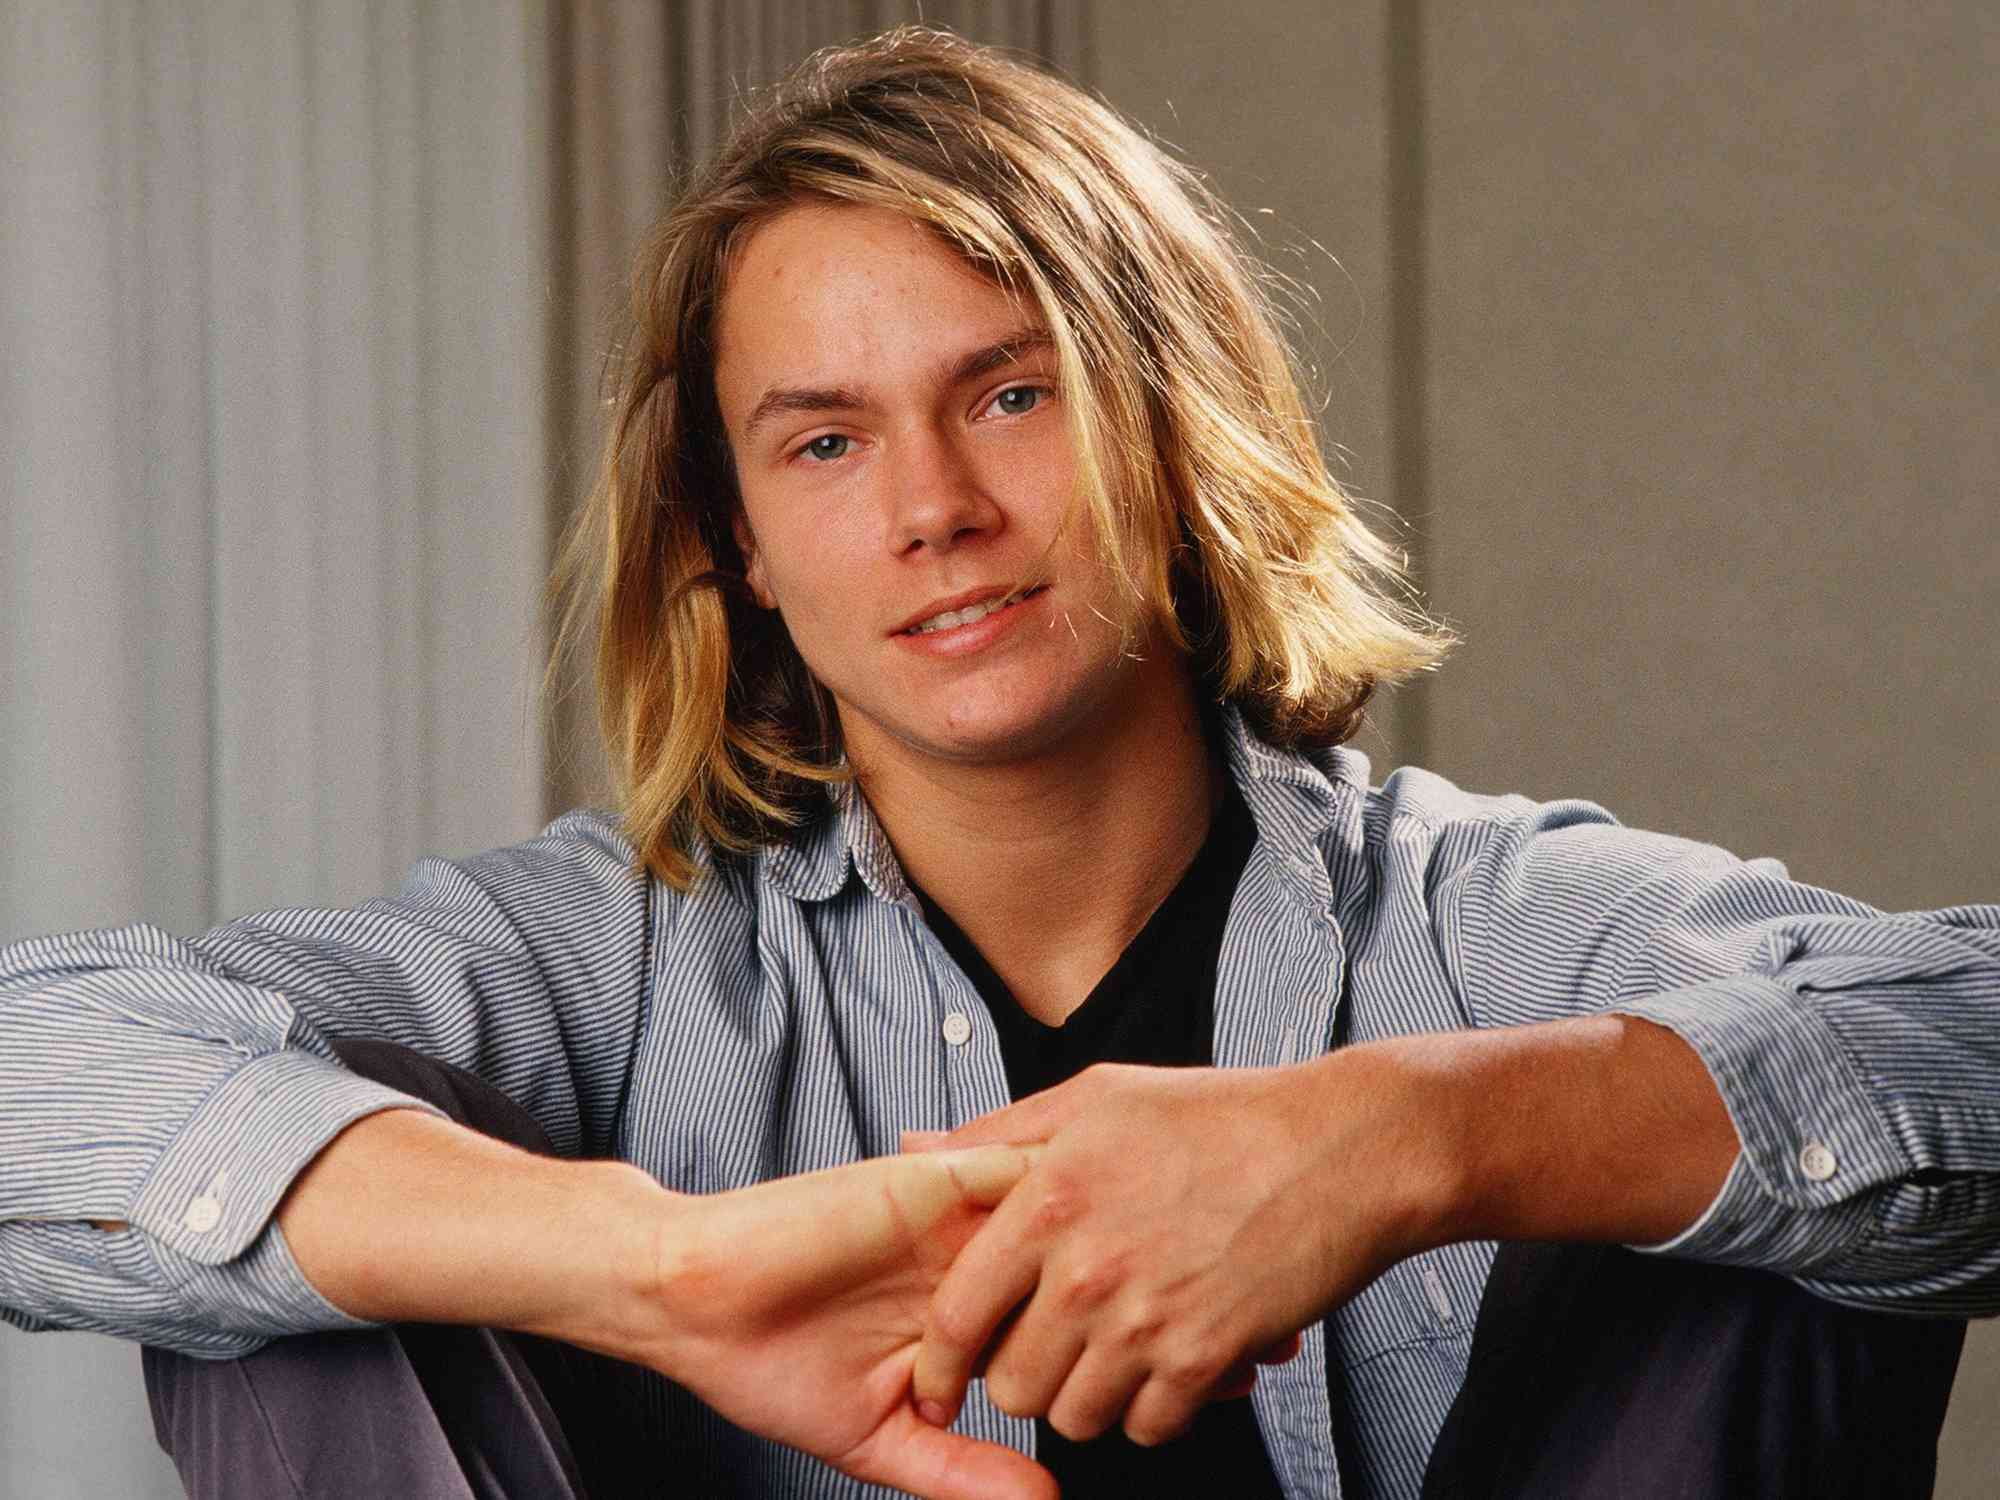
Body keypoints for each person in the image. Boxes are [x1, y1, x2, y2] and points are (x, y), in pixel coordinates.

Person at [2, 23, 1994, 1500]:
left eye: (1011, 394)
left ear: (1169, 431)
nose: (933, 505)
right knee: (301, 1268)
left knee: (1744, 1153)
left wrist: (1402, 1144)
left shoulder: (1474, 927)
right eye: (825, 439)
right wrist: (666, 1270)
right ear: (735, 546)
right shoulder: (614, 962)